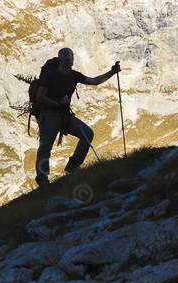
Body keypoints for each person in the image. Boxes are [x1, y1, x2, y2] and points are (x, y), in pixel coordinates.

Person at [35, 48, 120, 186]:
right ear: (60, 59)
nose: (70, 57)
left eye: (72, 55)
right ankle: (42, 180)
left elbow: (95, 81)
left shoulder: (74, 75)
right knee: (45, 148)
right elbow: (40, 97)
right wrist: (58, 103)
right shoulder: (50, 75)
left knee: (87, 133)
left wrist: (112, 72)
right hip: (49, 115)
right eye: (66, 55)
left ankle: (73, 165)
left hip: (63, 115)